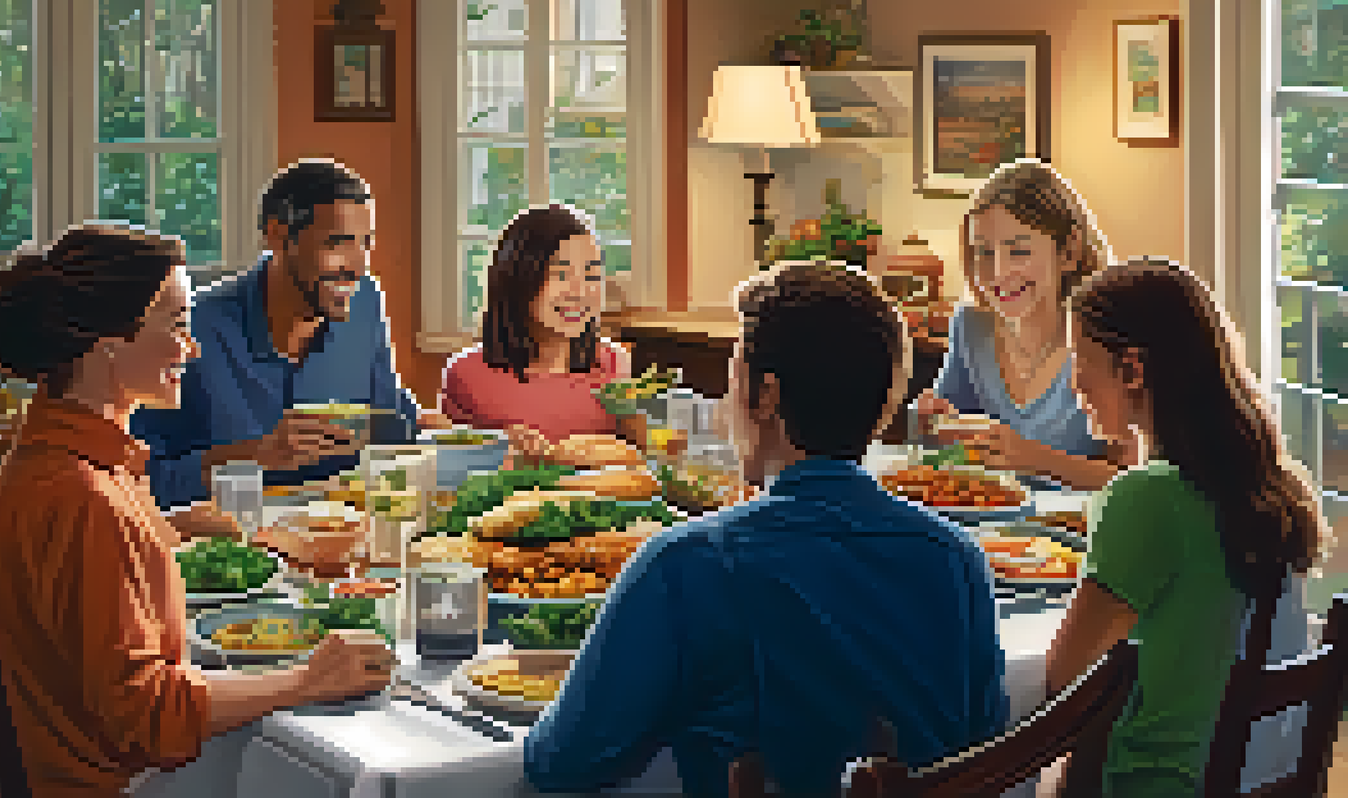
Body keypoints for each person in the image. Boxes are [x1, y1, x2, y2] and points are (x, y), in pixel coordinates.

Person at [523, 263, 1007, 797]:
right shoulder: (959, 560)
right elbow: (983, 756)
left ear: (765, 396)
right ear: (885, 402)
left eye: (730, 381)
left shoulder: (688, 564)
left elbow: (562, 761)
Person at [0, 224, 394, 796]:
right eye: (175, 326)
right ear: (108, 344)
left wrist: (170, 528)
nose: (190, 348)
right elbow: (147, 717)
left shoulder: (58, 459)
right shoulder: (86, 499)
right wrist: (310, 678)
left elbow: (86, 591)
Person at [1045, 258, 1324, 796]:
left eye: (1080, 358)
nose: (1073, 380)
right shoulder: (1268, 483)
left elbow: (1065, 680)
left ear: (1133, 370)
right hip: (1248, 779)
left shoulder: (1150, 497)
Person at [131, 159, 451, 510]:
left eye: (365, 245)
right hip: (235, 549)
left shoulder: (365, 302)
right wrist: (255, 455)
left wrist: (436, 431)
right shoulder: (191, 330)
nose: (357, 267)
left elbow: (386, 411)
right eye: (337, 244)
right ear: (278, 236)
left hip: (348, 542)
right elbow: (140, 479)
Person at [913, 159, 1135, 490]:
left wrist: (1036, 459)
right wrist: (929, 423)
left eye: (1018, 251)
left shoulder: (1110, 335)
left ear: (1069, 252)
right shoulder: (970, 326)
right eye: (983, 253)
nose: (998, 272)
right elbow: (949, 452)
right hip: (992, 534)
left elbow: (1138, 482)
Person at [438, 204, 642, 461]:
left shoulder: (615, 364)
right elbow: (450, 465)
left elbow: (638, 463)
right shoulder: (466, 375)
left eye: (592, 274)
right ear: (518, 279)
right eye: (561, 274)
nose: (579, 292)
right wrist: (499, 446)